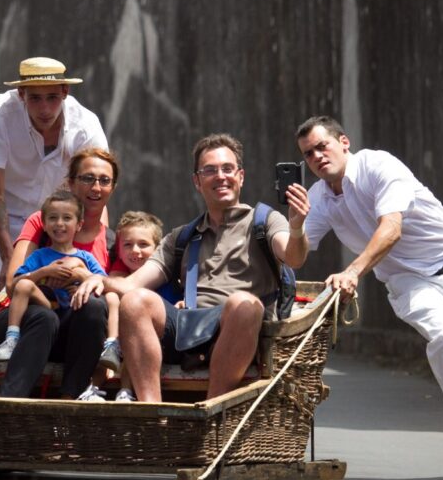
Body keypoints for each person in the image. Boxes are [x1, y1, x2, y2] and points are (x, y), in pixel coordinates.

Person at [283, 116, 443, 474]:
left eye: (322, 146)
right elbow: (293, 256)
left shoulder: (379, 165)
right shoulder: (319, 198)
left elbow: (391, 229)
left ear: (344, 142)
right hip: (407, 282)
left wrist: (353, 271)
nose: (317, 157)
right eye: (308, 154)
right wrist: (294, 226)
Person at [72, 134, 292, 402]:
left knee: (244, 303)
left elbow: (293, 255)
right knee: (134, 301)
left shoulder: (266, 221)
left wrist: (299, 226)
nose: (220, 176)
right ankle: (152, 413)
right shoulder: (183, 236)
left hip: (239, 329)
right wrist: (94, 278)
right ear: (197, 181)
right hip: (190, 328)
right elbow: (132, 285)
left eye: (227, 169)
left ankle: (211, 411)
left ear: (241, 176)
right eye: (210, 170)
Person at [0, 57, 107, 311]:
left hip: (54, 225)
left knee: (68, 309)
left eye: (52, 97)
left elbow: (96, 194)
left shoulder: (85, 125)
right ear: (21, 94)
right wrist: (9, 258)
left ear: (65, 92)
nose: (45, 109)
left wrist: (95, 252)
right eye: (35, 98)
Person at [0, 191, 107, 362]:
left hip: (73, 314)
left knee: (101, 300)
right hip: (46, 309)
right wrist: (44, 272)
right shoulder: (39, 256)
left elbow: (102, 281)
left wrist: (82, 277)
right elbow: (15, 285)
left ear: (79, 225)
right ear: (44, 225)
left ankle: (110, 344)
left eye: (67, 218)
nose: (59, 223)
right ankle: (12, 338)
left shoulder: (85, 257)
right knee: (23, 285)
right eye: (53, 218)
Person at [5, 148, 119, 299]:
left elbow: (118, 297)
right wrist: (45, 273)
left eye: (105, 181)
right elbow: (11, 284)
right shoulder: (40, 222)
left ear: (112, 188)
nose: (96, 188)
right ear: (71, 183)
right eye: (87, 178)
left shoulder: (114, 242)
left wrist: (84, 275)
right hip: (43, 314)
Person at [96, 210, 180, 402]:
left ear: (158, 249)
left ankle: (126, 391)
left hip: (155, 344)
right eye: (128, 245)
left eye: (143, 244)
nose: (135, 250)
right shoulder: (114, 279)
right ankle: (93, 388)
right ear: (118, 249)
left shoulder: (168, 280)